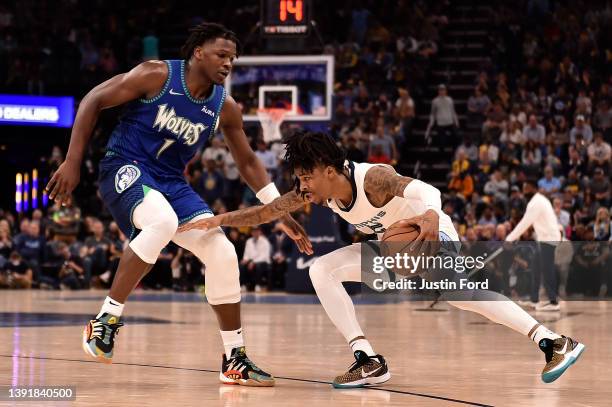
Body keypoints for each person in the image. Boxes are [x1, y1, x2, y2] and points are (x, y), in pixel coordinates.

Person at [181, 131, 584, 387]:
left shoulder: (371, 178)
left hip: (431, 233)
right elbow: (263, 213)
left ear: (327, 169)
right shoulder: (313, 192)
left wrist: (427, 215)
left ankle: (553, 341)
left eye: (306, 177)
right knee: (324, 268)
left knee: (460, 294)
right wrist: (215, 220)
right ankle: (367, 358)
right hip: (394, 247)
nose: (302, 186)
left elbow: (426, 191)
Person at [45, 22, 311, 386]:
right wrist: (73, 161)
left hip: (170, 181)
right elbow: (94, 99)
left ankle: (234, 358)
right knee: (161, 223)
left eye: (232, 58)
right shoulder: (157, 75)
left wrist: (280, 211)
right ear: (198, 52)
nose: (228, 63)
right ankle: (105, 320)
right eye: (221, 55)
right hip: (124, 164)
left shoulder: (224, 106)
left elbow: (248, 162)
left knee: (222, 251)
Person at [505, 180, 562, 311]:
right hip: (544, 238)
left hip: (548, 238)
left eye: (527, 188)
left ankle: (553, 302)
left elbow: (525, 222)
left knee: (547, 269)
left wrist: (510, 238)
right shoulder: (539, 200)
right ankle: (534, 299)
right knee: (536, 267)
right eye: (524, 188)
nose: (525, 191)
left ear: (534, 188)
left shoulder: (536, 202)